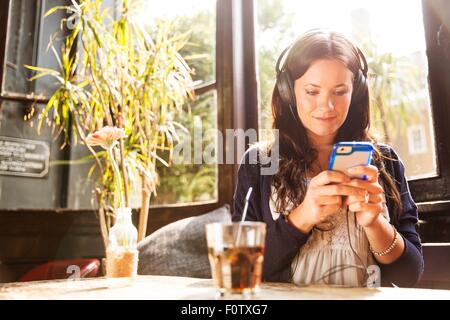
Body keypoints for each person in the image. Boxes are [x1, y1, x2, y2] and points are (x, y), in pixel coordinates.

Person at [232, 29, 424, 287]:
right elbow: (241, 268)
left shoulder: (386, 163)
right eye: (312, 92)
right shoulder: (258, 163)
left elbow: (409, 275)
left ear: (355, 93)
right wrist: (302, 217)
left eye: (340, 91)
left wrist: (375, 223)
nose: (327, 106)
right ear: (289, 91)